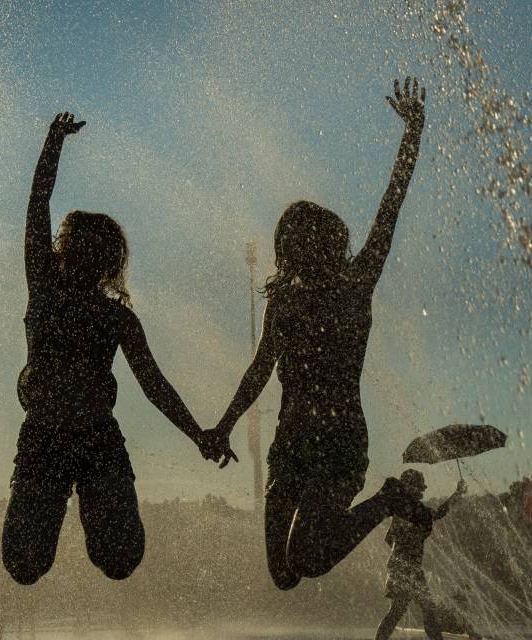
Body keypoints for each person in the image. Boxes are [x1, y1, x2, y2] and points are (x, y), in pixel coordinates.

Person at [205, 78, 428, 590]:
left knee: (308, 558)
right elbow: (260, 368)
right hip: (293, 443)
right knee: (283, 575)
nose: (317, 254)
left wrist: (413, 132)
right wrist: (223, 425)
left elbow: (390, 206)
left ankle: (387, 501)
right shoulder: (285, 302)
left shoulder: (357, 284)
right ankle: (380, 504)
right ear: (296, 252)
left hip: (340, 444)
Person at [2, 112, 231, 586]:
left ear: (104, 262)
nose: (83, 258)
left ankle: (99, 521)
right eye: (77, 248)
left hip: (95, 440)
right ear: (64, 253)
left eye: (92, 252)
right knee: (24, 564)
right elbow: (37, 203)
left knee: (120, 559)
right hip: (45, 436)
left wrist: (198, 434)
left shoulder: (114, 317)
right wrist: (53, 141)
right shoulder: (44, 287)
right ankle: (75, 521)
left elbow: (154, 385)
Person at [375, 471, 473, 640]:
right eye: (418, 488)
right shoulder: (411, 509)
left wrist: (457, 494)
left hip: (404, 567)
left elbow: (389, 539)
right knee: (417, 610)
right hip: (406, 568)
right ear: (409, 488)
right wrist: (457, 494)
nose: (421, 492)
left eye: (421, 489)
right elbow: (438, 513)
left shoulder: (406, 509)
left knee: (415, 610)